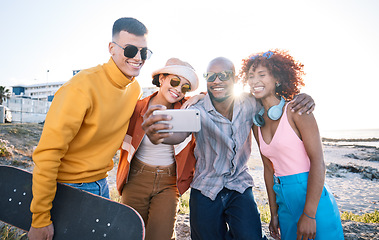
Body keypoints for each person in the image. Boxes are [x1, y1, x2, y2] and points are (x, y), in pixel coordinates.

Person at [142, 57, 315, 240]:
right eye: (211, 76)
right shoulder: (196, 108)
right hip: (205, 188)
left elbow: (275, 100)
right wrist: (159, 135)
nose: (217, 80)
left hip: (239, 186)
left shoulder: (250, 103)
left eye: (224, 75)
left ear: (235, 80)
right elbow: (178, 134)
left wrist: (302, 97)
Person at [28, 17, 151, 240]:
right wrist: (40, 219)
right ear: (112, 49)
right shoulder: (80, 88)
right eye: (131, 49)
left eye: (144, 52)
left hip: (102, 184)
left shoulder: (134, 89)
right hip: (69, 188)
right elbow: (48, 154)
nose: (138, 58)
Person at [240, 49, 344, 240]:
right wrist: (274, 213)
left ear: (277, 79)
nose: (255, 81)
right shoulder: (257, 123)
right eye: (251, 76)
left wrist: (310, 214)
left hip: (312, 196)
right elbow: (268, 169)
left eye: (262, 75)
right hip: (283, 199)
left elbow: (318, 162)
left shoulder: (297, 110)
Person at [116, 58, 200, 240]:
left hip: (168, 184)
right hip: (136, 179)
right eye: (175, 81)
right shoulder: (137, 107)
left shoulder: (187, 110)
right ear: (161, 79)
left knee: (161, 236)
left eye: (185, 87)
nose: (178, 90)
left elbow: (216, 96)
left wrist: (199, 96)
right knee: (130, 233)